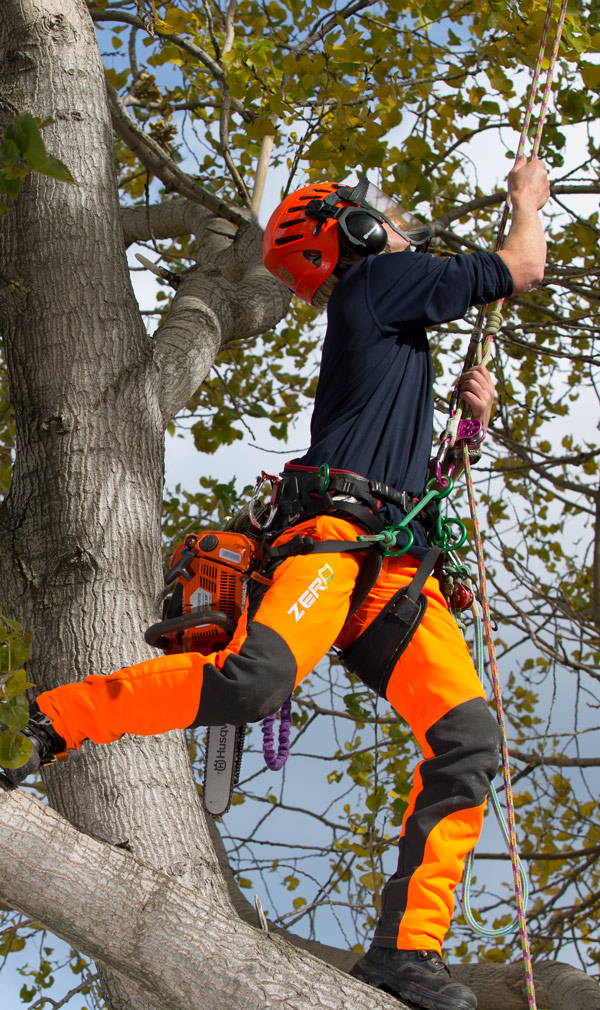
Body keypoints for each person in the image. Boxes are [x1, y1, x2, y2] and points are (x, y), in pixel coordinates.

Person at [1, 158, 550, 1010]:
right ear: (357, 233)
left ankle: (405, 953)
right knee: (252, 679)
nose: (403, 227)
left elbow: (407, 438)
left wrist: (467, 418)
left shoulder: (392, 323)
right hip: (334, 541)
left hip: (396, 569)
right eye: (384, 218)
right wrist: (528, 204)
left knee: (468, 740)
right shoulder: (384, 282)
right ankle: (46, 725)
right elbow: (522, 266)